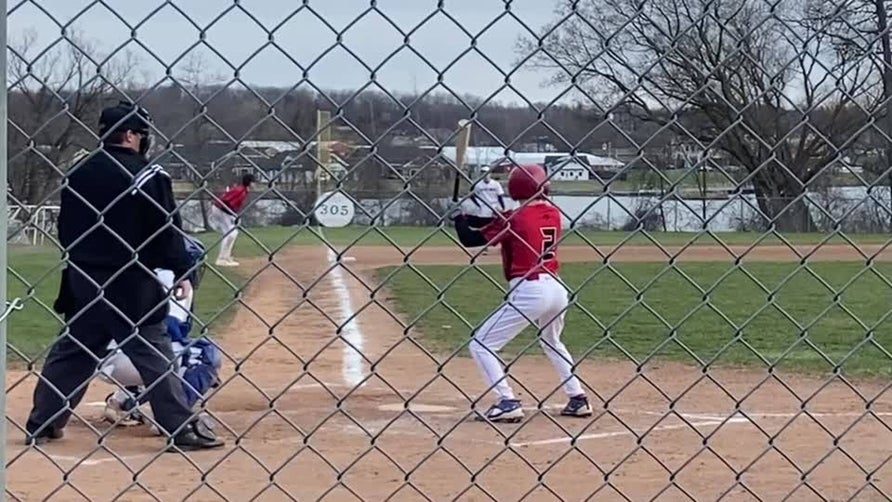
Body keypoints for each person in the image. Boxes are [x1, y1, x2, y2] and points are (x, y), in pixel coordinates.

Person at [24, 100, 224, 451]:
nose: (144, 140)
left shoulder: (79, 172)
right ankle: (181, 428)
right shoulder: (148, 174)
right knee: (153, 351)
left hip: (84, 277)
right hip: (130, 280)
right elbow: (165, 229)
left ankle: (43, 422)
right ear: (130, 135)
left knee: (74, 350)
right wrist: (180, 268)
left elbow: (65, 230)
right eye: (142, 134)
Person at [449, 164, 592, 423]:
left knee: (481, 345)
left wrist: (458, 218)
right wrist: (465, 215)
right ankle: (578, 398)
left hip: (530, 289)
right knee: (552, 341)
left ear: (515, 188)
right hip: (557, 288)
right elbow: (496, 223)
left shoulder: (514, 219)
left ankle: (507, 401)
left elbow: (471, 240)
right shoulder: (553, 213)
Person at [99, 235, 222, 431]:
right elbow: (168, 330)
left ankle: (122, 402)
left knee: (158, 355)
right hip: (129, 359)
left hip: (102, 356)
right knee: (205, 354)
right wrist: (198, 373)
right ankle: (173, 419)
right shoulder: (174, 279)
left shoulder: (138, 270)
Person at [209, 173, 255, 267]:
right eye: (253, 182)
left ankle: (225, 256)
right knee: (231, 233)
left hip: (221, 210)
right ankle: (222, 259)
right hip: (221, 210)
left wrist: (233, 216)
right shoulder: (240, 190)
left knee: (231, 233)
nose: (255, 184)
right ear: (250, 183)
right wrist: (233, 216)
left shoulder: (242, 190)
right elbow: (226, 203)